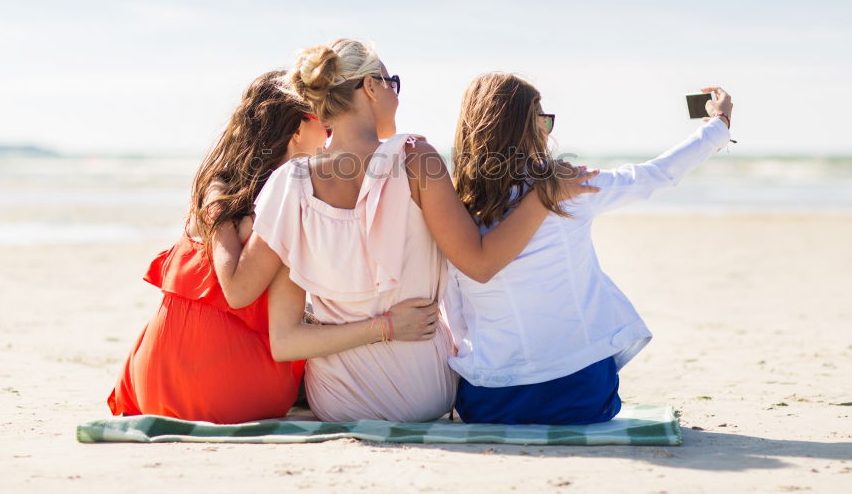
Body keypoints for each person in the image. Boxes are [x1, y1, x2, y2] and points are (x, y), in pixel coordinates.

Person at [225, 39, 601, 422]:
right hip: (427, 395)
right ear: (370, 87)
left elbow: (268, 324)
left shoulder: (290, 184)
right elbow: (481, 264)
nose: (395, 95)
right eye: (392, 83)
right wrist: (541, 196)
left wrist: (218, 218)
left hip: (338, 404)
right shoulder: (418, 160)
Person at [444, 73, 734, 425]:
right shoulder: (571, 189)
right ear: (526, 126)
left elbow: (454, 308)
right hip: (580, 397)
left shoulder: (452, 206)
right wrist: (718, 126)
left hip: (490, 401)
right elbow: (656, 175)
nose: (547, 130)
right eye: (542, 118)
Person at [107, 71, 331, 423]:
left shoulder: (219, 189)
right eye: (327, 125)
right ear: (297, 130)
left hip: (152, 383)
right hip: (232, 393)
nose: (333, 135)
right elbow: (238, 292)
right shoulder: (278, 205)